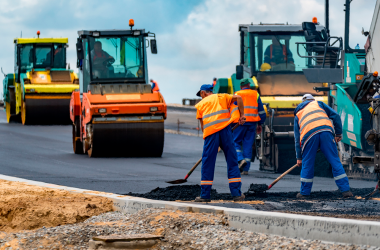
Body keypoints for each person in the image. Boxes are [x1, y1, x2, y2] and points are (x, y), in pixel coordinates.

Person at [294, 94, 353, 198]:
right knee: (335, 161)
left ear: (302, 102)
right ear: (312, 100)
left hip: (309, 136)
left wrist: (299, 157)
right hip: (326, 132)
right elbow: (336, 116)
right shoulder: (319, 104)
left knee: (307, 164)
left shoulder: (298, 113)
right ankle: (346, 191)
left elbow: (297, 137)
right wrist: (338, 134)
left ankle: (304, 193)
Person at [194, 84, 246, 202]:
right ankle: (236, 194)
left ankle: (205, 195)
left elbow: (203, 127)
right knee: (232, 161)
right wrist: (242, 115)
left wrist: (212, 144)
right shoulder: (221, 97)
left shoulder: (200, 105)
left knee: (208, 163)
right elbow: (238, 98)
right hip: (226, 131)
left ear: (203, 93)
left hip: (211, 134)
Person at [233, 79, 266, 175]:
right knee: (248, 145)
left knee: (235, 142)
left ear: (240, 86)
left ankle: (240, 159)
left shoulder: (237, 93)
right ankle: (246, 169)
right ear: (249, 85)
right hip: (252, 123)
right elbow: (261, 112)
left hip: (239, 123)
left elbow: (233, 109)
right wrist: (260, 123)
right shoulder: (255, 94)